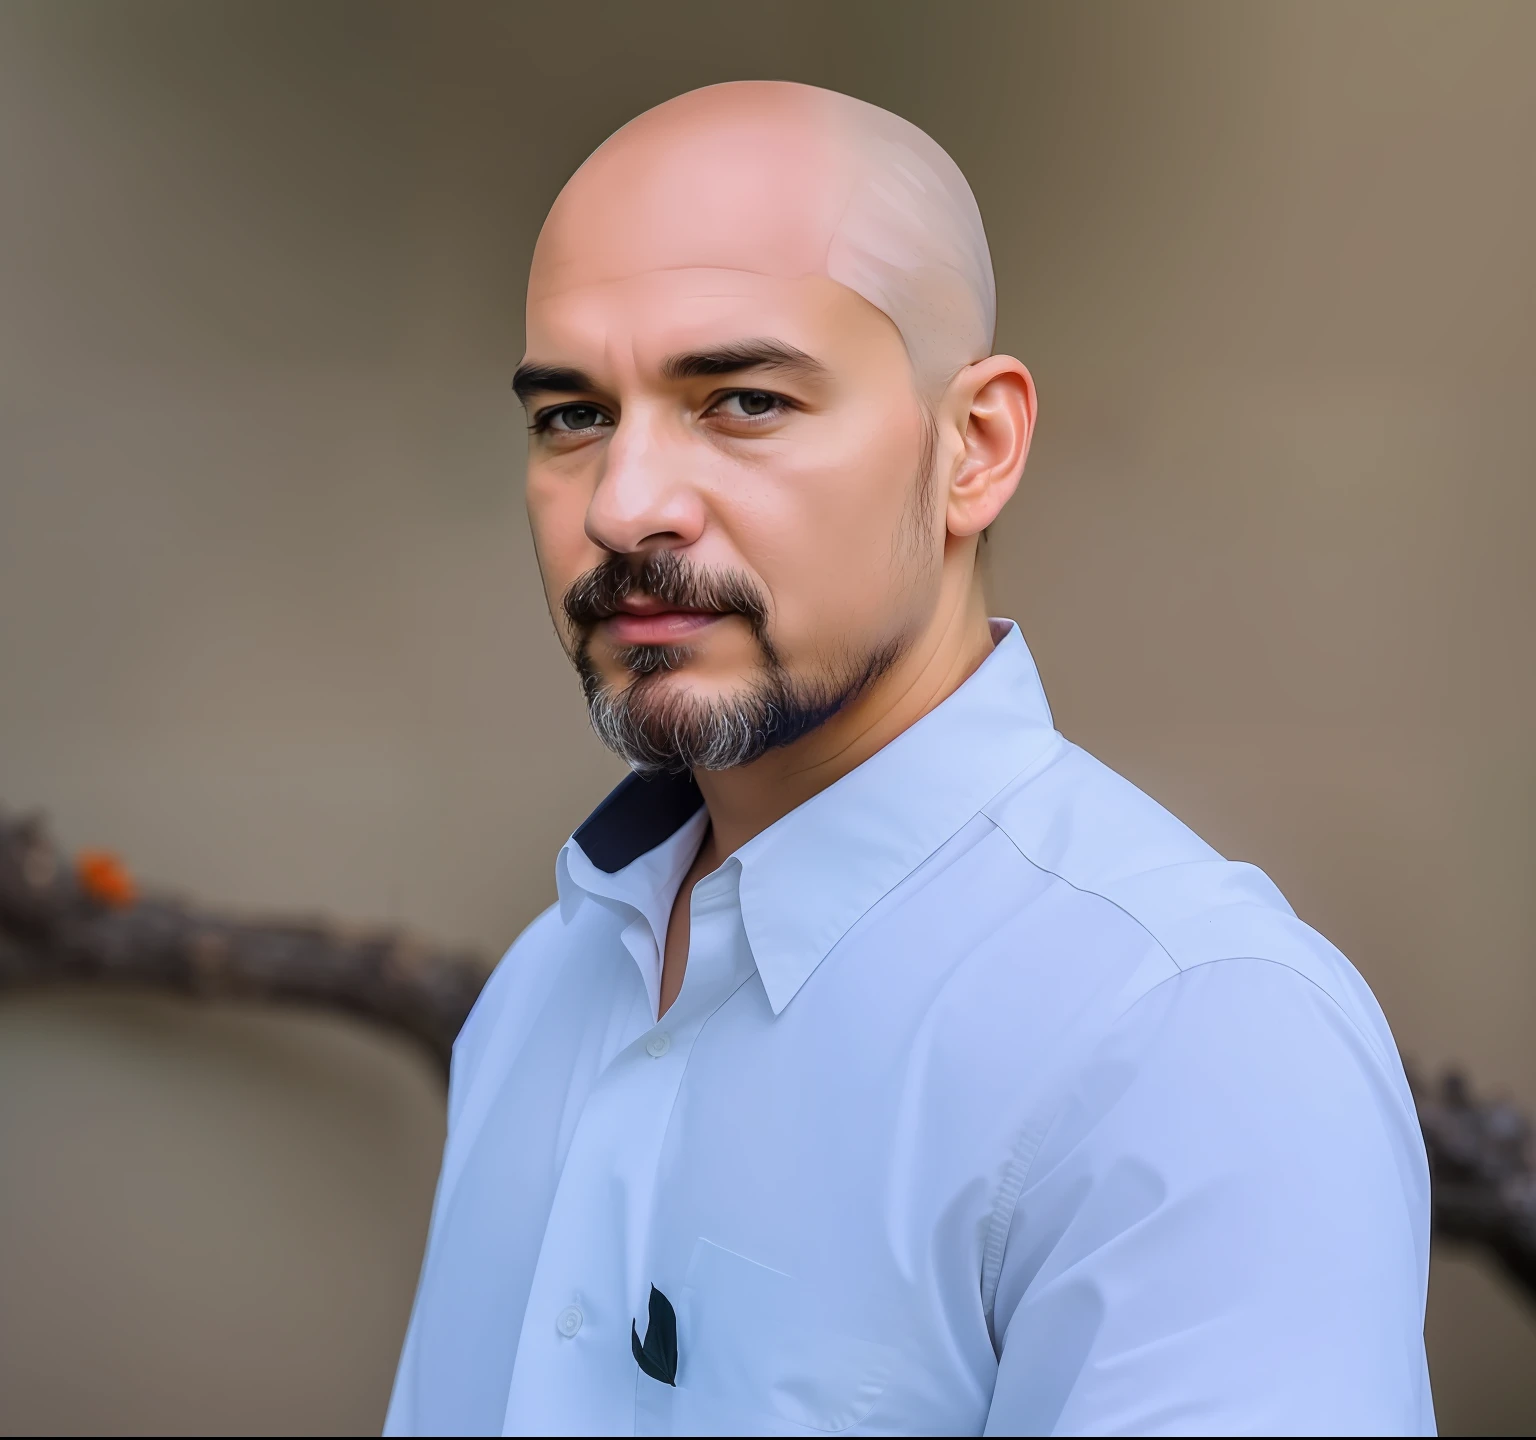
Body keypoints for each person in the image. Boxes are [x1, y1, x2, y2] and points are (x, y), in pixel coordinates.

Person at [384, 81, 1434, 1436]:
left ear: (974, 449)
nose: (626, 501)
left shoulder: (1188, 1038)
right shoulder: (547, 988)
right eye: (572, 415)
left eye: (743, 399)